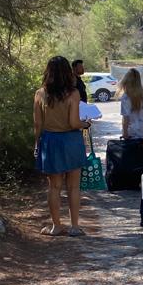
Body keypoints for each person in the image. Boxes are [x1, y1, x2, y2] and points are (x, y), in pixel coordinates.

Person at [33, 56, 92, 236]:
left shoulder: (40, 94)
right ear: (67, 71)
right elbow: (74, 122)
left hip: (50, 142)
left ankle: (56, 226)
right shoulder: (73, 93)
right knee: (74, 187)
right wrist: (85, 124)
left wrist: (37, 144)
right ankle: (74, 226)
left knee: (54, 187)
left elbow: (37, 125)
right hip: (71, 141)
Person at [118, 68, 143, 140]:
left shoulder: (126, 96)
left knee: (132, 150)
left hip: (131, 132)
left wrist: (124, 133)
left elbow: (125, 117)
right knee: (140, 149)